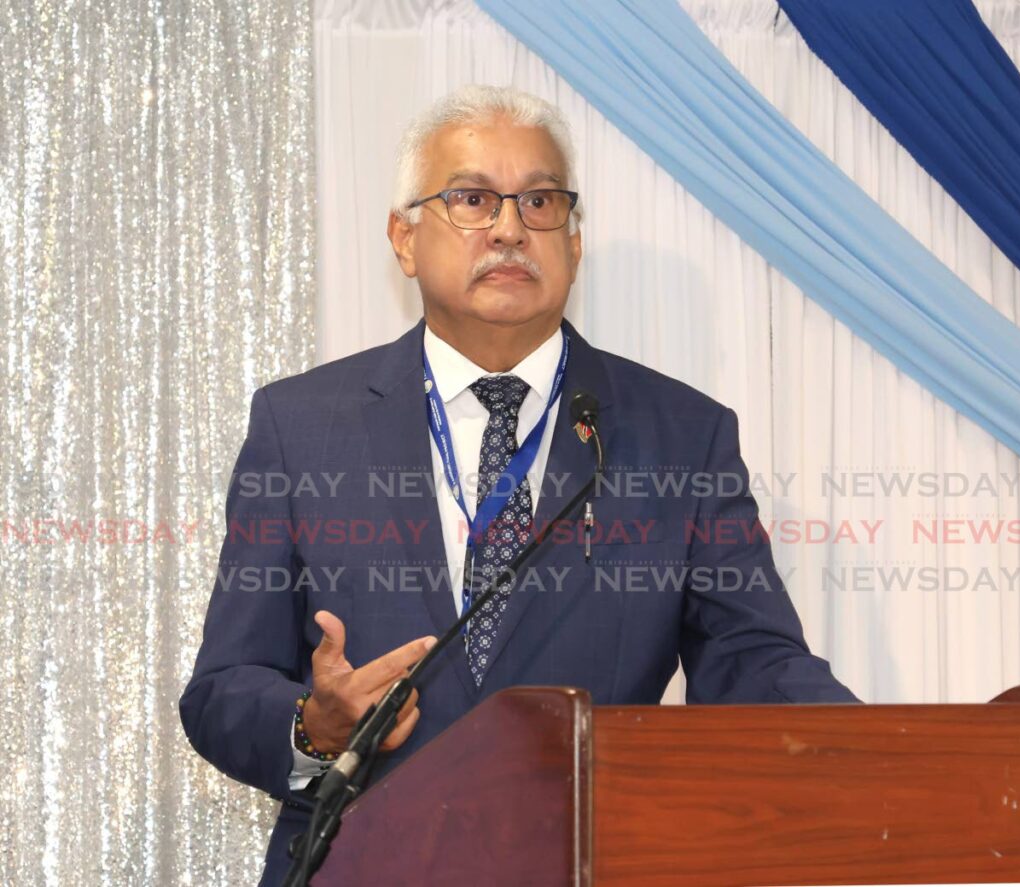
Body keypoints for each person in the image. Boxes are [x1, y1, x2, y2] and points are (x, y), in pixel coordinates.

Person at [179, 84, 857, 885]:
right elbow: (224, 687)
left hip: (595, 863)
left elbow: (754, 661)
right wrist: (315, 726)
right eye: (471, 199)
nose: (509, 228)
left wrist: (885, 754)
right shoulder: (300, 426)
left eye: (539, 200)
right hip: (361, 864)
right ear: (404, 238)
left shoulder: (683, 433)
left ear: (574, 240)